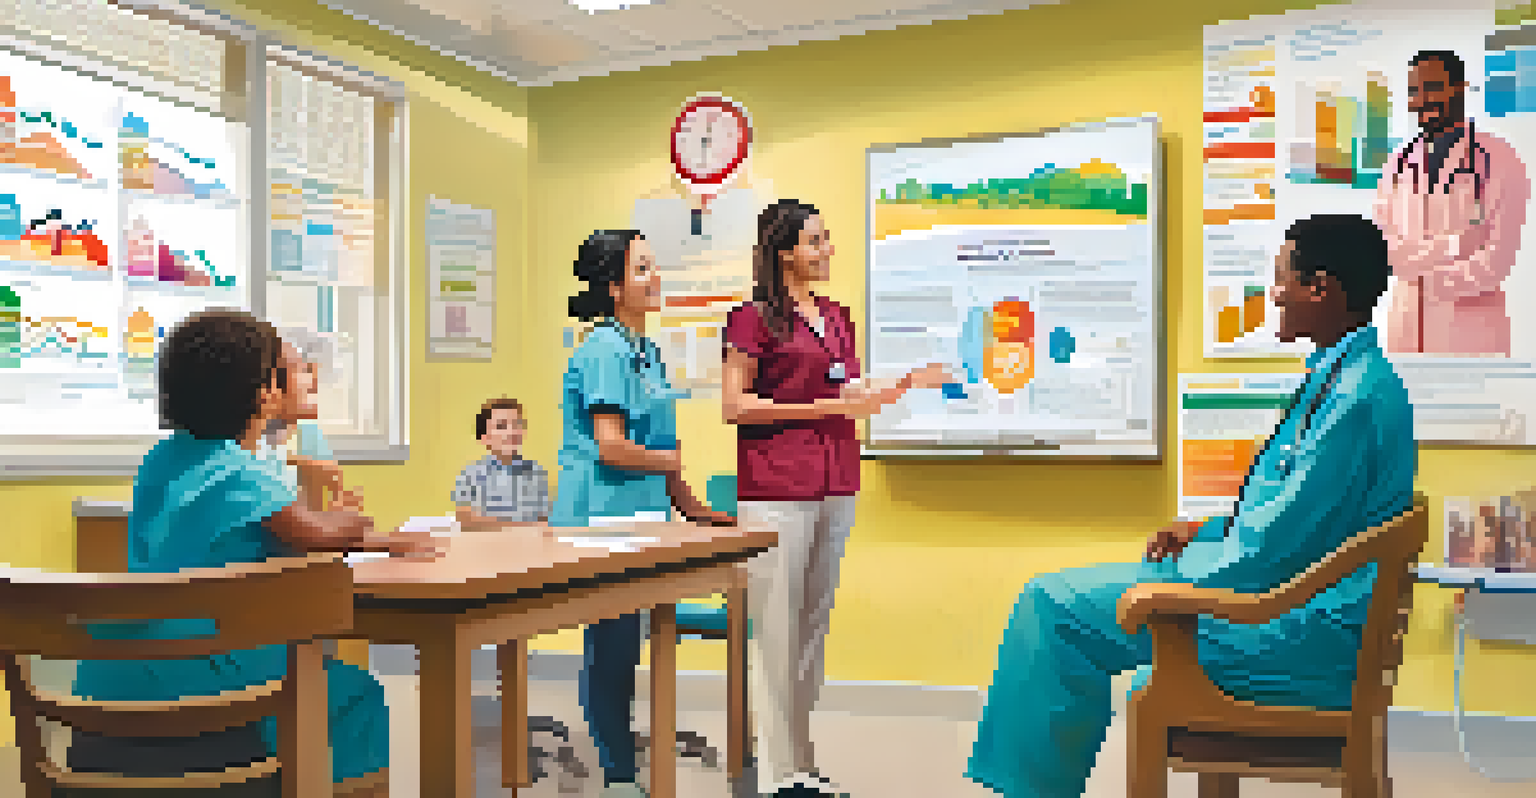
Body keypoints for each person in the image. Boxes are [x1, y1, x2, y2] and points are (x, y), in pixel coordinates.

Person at [966, 214, 1417, 797]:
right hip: (1306, 614)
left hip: (1297, 634)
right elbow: (1296, 515)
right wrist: (1205, 530)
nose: (1273, 294)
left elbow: (1269, 552)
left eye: (1281, 280)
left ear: (1320, 287)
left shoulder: (1354, 396)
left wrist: (1177, 579)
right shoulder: (1351, 377)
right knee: (1062, 600)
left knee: (1051, 607)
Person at [70, 309, 439, 787]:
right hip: (196, 687)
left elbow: (265, 534)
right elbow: (314, 535)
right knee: (355, 691)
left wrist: (373, 539)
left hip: (113, 680)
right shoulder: (240, 470)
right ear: (265, 394)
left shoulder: (160, 460)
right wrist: (356, 523)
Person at [722, 199, 953, 798]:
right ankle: (775, 777)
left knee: (810, 631)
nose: (828, 250)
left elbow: (846, 387)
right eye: (816, 241)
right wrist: (832, 407)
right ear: (784, 251)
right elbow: (736, 406)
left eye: (828, 239)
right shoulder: (752, 319)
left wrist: (902, 385)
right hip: (776, 486)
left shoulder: (837, 316)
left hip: (835, 480)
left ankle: (802, 763)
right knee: (774, 631)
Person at [551, 229, 735, 798]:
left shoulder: (646, 350)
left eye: (654, 267)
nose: (655, 278)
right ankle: (617, 771)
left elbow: (660, 445)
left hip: (643, 515)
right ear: (612, 287)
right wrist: (669, 464)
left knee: (635, 641)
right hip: (603, 517)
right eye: (642, 269)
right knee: (612, 646)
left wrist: (693, 507)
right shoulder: (603, 349)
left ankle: (624, 755)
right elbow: (614, 448)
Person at [1375, 49, 1530, 356]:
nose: (1420, 101)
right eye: (1413, 91)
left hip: (1470, 337)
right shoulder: (1397, 164)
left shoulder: (1499, 159)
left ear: (1460, 87)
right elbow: (1383, 249)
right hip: (1404, 333)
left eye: (1432, 88)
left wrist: (1420, 276)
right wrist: (1455, 247)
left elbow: (1496, 261)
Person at [453, 396, 551, 527]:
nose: (511, 432)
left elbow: (543, 519)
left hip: (526, 542)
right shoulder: (472, 474)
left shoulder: (535, 472)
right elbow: (465, 517)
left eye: (517, 424)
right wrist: (515, 526)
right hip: (485, 542)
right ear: (485, 438)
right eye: (501, 426)